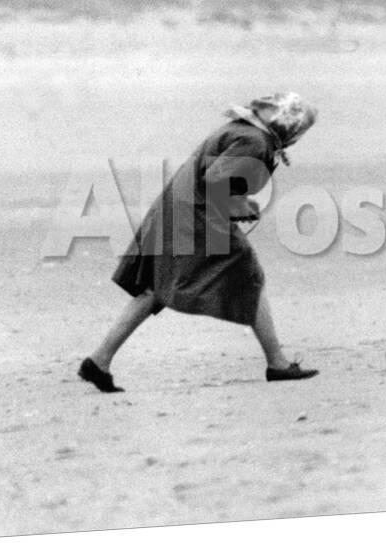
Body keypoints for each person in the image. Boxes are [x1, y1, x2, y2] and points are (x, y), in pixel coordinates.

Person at [78, 91, 320, 392]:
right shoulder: (255, 141)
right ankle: (277, 364)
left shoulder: (244, 130)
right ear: (290, 126)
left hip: (179, 207)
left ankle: (98, 361)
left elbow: (219, 176)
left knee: (155, 287)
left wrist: (239, 203)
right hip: (196, 215)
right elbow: (216, 180)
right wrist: (239, 206)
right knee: (250, 275)